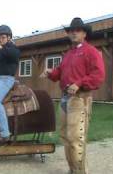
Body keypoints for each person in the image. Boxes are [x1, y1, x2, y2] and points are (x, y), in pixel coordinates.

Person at [40, 17, 105, 174]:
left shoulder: (91, 51)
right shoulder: (69, 54)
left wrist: (80, 83)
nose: (74, 33)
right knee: (66, 137)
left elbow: (98, 75)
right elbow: (59, 74)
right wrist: (51, 72)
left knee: (76, 139)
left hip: (80, 99)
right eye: (71, 31)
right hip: (64, 99)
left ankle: (80, 172)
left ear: (84, 33)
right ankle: (72, 170)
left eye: (77, 30)